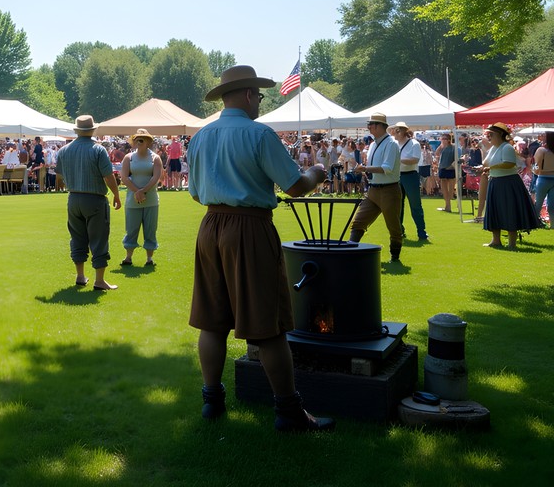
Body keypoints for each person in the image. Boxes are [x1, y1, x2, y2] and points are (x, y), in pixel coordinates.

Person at [187, 65, 333, 432]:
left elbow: (193, 191)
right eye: (260, 97)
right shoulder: (259, 134)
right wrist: (317, 170)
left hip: (210, 226)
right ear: (250, 94)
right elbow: (295, 186)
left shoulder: (201, 137)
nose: (260, 103)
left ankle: (212, 402)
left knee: (212, 321)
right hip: (249, 229)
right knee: (269, 326)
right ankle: (288, 411)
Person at [55, 115, 122, 291]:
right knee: (99, 239)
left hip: (73, 199)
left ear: (77, 130)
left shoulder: (64, 150)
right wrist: (116, 194)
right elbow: (108, 176)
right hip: (95, 199)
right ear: (92, 130)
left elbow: (59, 179)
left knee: (77, 238)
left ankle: (80, 276)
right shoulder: (98, 150)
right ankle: (99, 280)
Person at [349, 113, 404, 264]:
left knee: (393, 227)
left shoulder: (391, 143)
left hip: (389, 190)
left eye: (372, 124)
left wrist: (365, 169)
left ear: (381, 127)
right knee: (358, 222)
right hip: (373, 190)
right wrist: (366, 171)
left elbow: (387, 168)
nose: (369, 127)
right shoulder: (373, 144)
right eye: (369, 124)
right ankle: (350, 252)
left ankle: (395, 257)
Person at [481, 123, 541, 250]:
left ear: (500, 135)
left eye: (491, 134)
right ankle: (496, 240)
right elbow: (485, 162)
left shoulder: (506, 147)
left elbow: (508, 164)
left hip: (508, 183)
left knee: (510, 211)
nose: (489, 136)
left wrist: (490, 167)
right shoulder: (493, 148)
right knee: (495, 210)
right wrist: (481, 167)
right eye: (488, 134)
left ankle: (512, 243)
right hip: (495, 181)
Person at [120, 128, 163, 267]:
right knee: (131, 229)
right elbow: (124, 177)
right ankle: (128, 257)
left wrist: (143, 191)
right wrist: (136, 192)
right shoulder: (129, 157)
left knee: (150, 229)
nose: (139, 140)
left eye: (142, 138)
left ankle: (149, 259)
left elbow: (156, 177)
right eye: (137, 138)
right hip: (132, 200)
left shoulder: (155, 158)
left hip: (150, 201)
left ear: (148, 142)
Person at [391, 122, 428, 241]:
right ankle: (399, 231)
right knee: (397, 206)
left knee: (415, 205)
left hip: (410, 176)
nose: (393, 133)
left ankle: (421, 232)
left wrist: (398, 160)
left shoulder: (414, 144)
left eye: (395, 131)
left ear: (401, 131)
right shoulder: (395, 144)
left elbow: (414, 160)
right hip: (397, 176)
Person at [532, 131, 554, 226]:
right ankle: (553, 225)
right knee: (552, 205)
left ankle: (534, 222)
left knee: (538, 203)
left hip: (543, 178)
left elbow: (537, 167)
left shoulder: (541, 150)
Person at [435, 133, 456, 212]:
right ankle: (447, 206)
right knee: (444, 189)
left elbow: (456, 158)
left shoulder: (453, 147)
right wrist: (441, 145)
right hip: (443, 168)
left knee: (450, 190)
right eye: (442, 138)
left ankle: (449, 203)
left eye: (444, 139)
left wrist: (451, 166)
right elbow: (436, 153)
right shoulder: (441, 147)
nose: (443, 140)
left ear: (448, 140)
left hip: (450, 169)